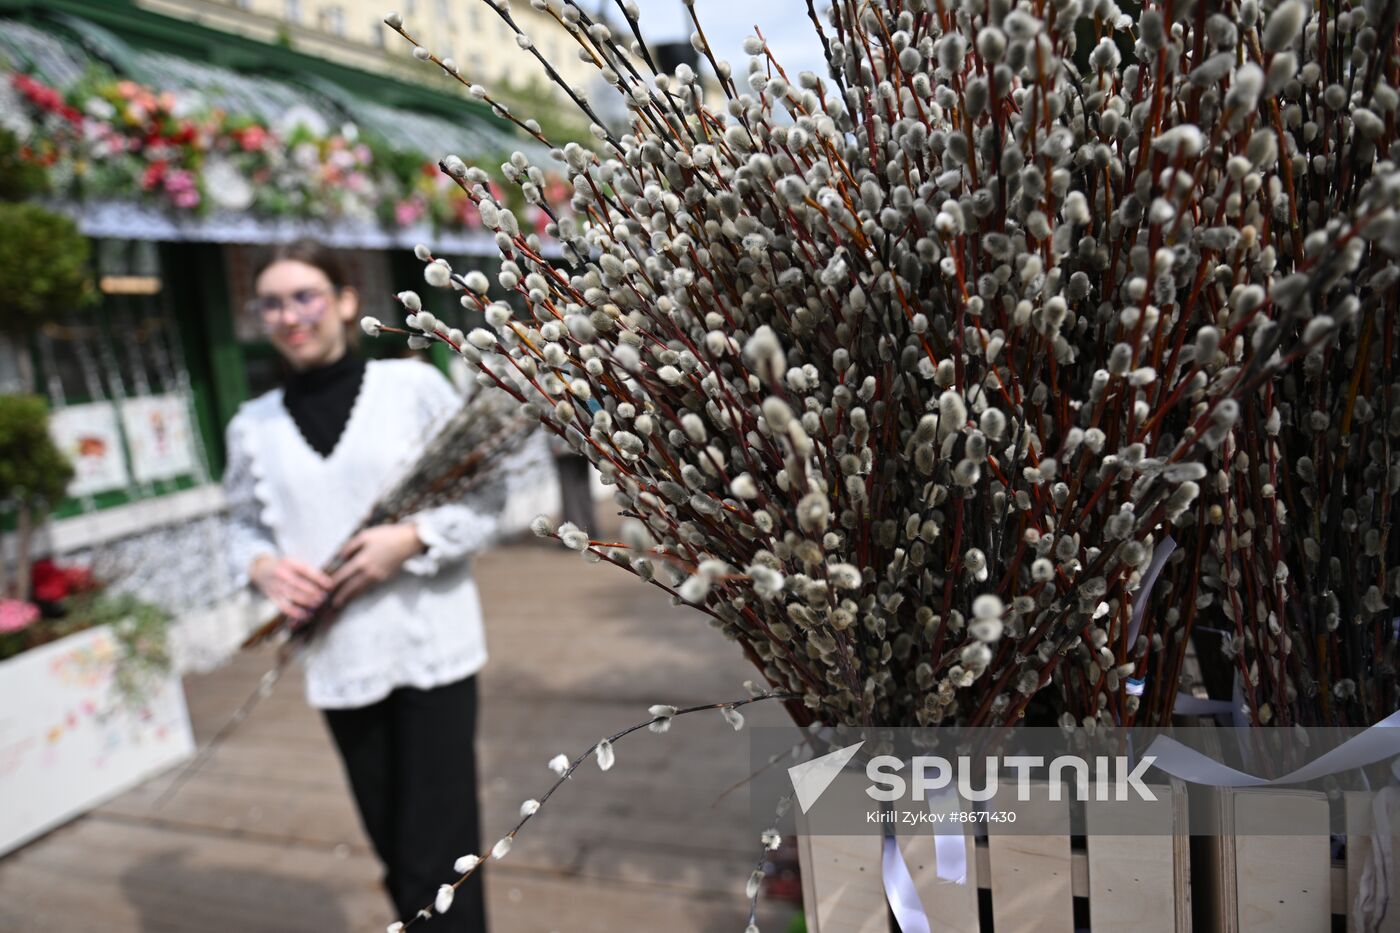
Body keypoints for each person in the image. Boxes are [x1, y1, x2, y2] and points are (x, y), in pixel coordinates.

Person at [222, 240, 493, 931]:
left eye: (306, 295)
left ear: (346, 301)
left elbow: (487, 497)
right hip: (341, 658)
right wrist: (263, 569)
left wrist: (410, 540)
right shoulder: (252, 427)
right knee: (393, 842)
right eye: (273, 302)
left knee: (443, 846)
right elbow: (241, 529)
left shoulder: (413, 388)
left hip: (430, 644)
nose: (291, 314)